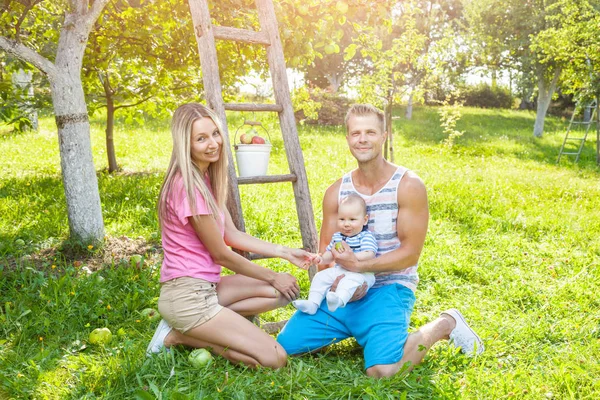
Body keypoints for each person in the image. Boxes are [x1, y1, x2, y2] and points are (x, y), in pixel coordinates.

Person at [277, 104, 484, 378]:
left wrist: (361, 269)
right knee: (283, 348)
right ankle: (360, 329)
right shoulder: (336, 192)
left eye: (370, 132)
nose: (362, 139)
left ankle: (446, 323)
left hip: (389, 288)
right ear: (348, 138)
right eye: (355, 133)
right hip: (343, 290)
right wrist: (340, 281)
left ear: (384, 135)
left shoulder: (408, 185)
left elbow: (410, 254)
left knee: (382, 371)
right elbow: (327, 251)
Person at [146, 103, 312, 369]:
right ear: (184, 143)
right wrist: (272, 275)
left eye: (215, 133)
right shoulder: (188, 187)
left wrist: (285, 252)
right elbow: (221, 254)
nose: (213, 143)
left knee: (284, 291)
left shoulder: (204, 179)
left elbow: (231, 235)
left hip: (206, 288)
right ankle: (179, 335)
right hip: (188, 296)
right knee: (276, 359)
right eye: (201, 138)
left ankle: (201, 328)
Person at [293, 194, 377, 315]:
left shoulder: (365, 236)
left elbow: (369, 253)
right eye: (342, 219)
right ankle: (312, 303)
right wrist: (320, 259)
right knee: (320, 277)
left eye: (352, 219)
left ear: (365, 220)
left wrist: (352, 257)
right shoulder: (337, 237)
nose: (346, 224)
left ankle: (338, 300)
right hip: (341, 270)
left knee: (349, 282)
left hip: (361, 273)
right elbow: (330, 254)